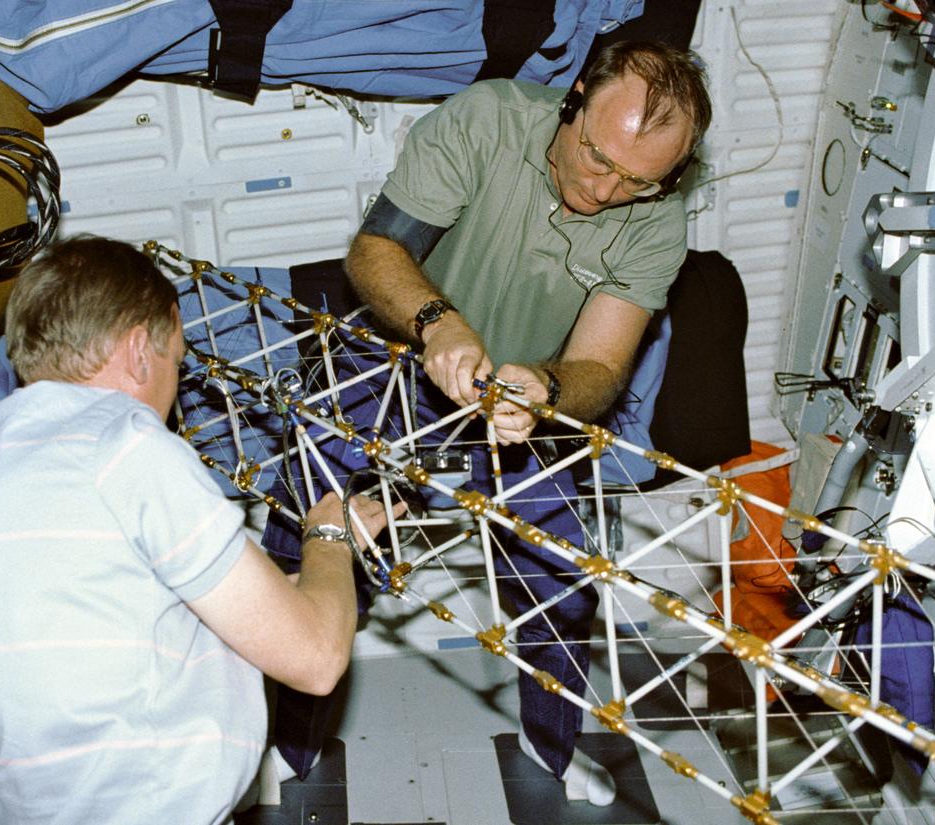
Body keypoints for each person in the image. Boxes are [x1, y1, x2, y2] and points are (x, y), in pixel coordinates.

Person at [262, 40, 712, 806]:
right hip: (395, 360)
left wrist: (547, 388)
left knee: (564, 581)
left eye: (638, 181)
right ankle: (286, 745)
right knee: (303, 532)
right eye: (597, 158)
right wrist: (437, 325)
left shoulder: (657, 222)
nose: (605, 191)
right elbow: (374, 252)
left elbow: (601, 366)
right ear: (574, 99)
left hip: (522, 402)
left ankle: (550, 747)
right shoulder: (485, 122)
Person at [0, 236, 395, 824]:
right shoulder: (126, 447)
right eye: (176, 361)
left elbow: (161, 615)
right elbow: (317, 659)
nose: (176, 394)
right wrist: (330, 539)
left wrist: (309, 579)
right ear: (137, 353)